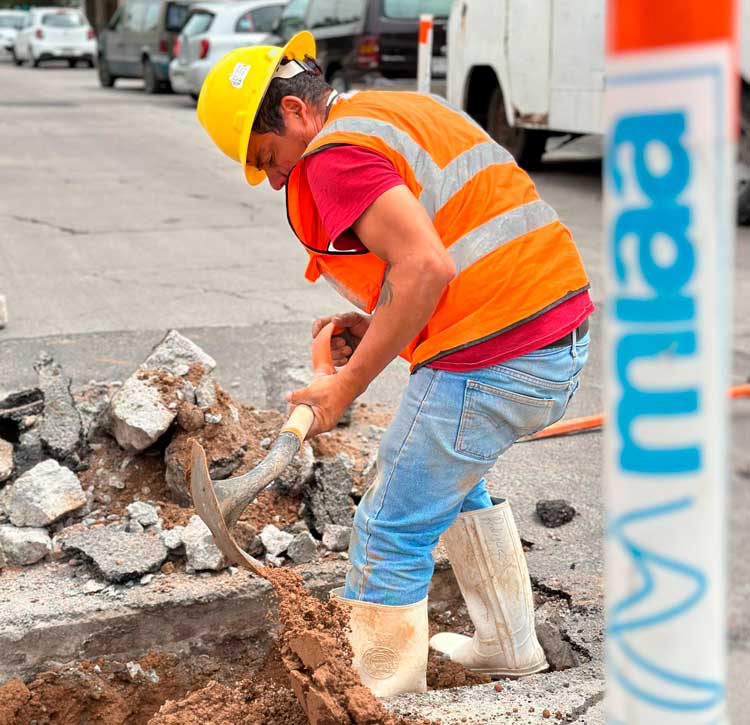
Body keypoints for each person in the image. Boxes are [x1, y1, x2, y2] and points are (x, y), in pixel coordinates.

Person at [197, 32, 593, 697]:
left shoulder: (331, 155)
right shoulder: (391, 112)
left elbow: (427, 266)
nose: (272, 179)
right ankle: (507, 642)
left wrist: (343, 386)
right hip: (552, 332)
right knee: (444, 473)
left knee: (388, 527)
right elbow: (445, 238)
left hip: (495, 352)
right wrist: (380, 316)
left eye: (267, 158)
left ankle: (374, 698)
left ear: (296, 113)